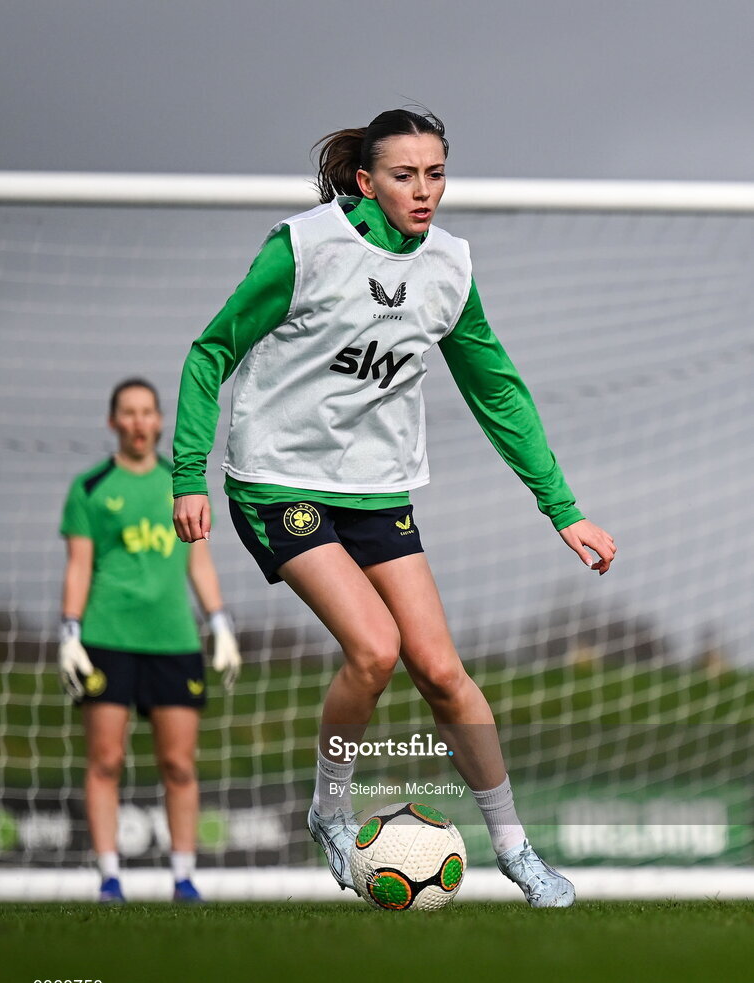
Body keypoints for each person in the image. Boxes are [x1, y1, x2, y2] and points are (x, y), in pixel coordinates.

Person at [171, 109, 616, 908]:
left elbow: (496, 391)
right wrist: (186, 474)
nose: (424, 190)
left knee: (442, 672)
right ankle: (330, 812)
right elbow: (212, 351)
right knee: (374, 650)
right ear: (364, 181)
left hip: (378, 490)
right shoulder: (304, 247)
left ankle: (515, 850)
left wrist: (563, 509)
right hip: (278, 481)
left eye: (436, 173)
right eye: (405, 175)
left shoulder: (449, 267)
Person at [58, 378, 241, 903]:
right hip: (106, 638)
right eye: (128, 413)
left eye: (147, 412)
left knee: (179, 764)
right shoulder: (90, 489)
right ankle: (110, 877)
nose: (139, 422)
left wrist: (220, 623)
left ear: (160, 421)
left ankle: (184, 877)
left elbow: (198, 563)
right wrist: (69, 631)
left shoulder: (180, 486)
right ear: (113, 422)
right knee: (106, 761)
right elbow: (78, 568)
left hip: (174, 641)